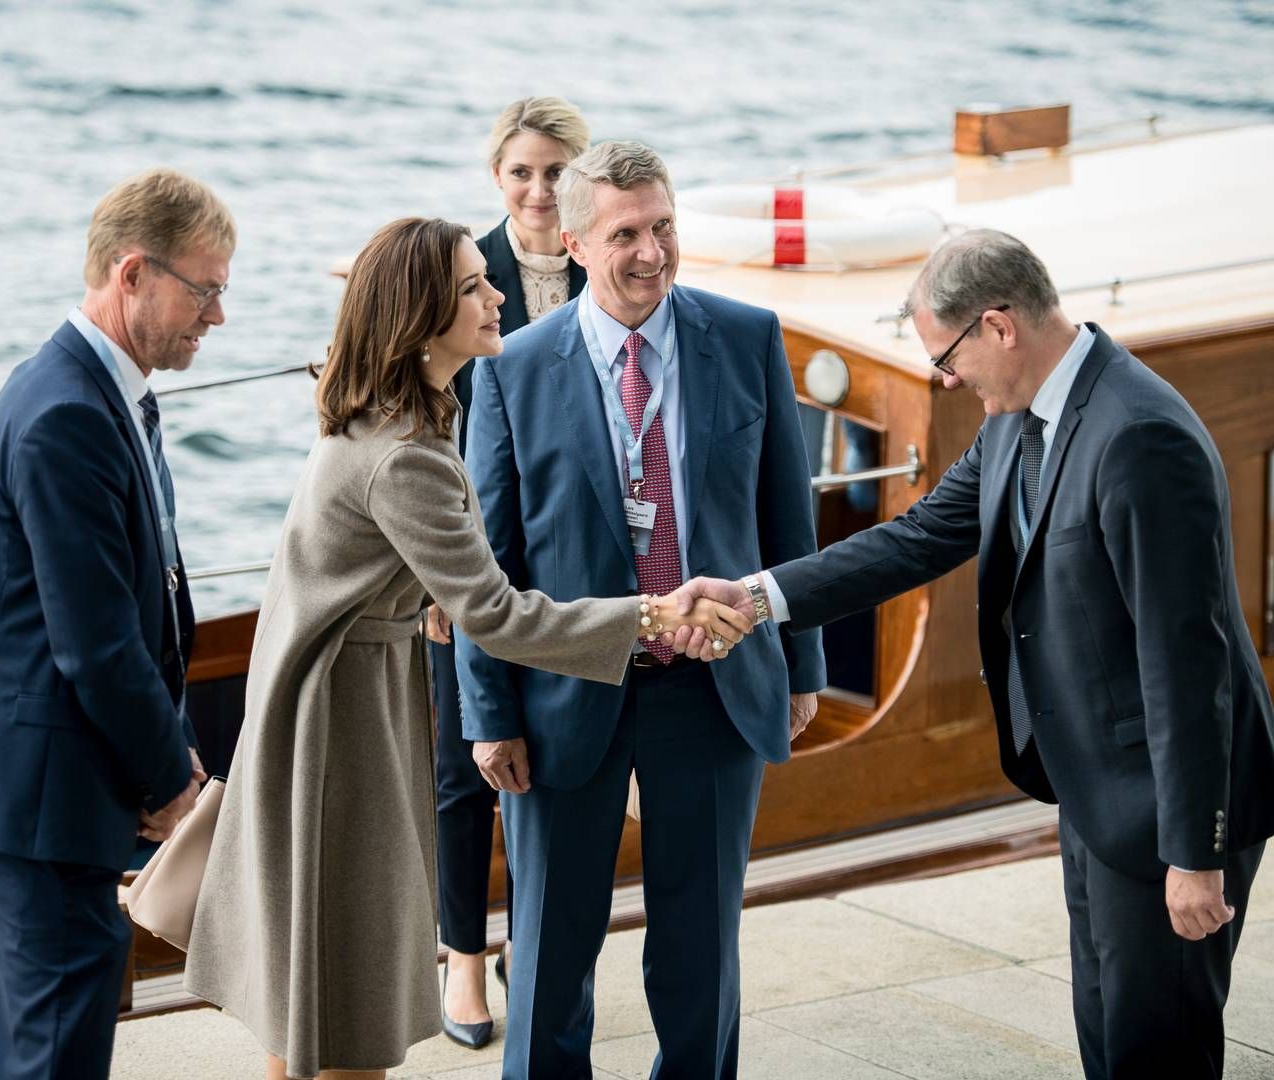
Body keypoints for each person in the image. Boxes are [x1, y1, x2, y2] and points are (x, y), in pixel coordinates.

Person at [671, 228, 1274, 1080]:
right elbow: (916, 539)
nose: (946, 379)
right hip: (1095, 788)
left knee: (1158, 1046)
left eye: (947, 356)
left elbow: (1190, 665)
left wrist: (1194, 853)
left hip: (1165, 805)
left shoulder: (1139, 437)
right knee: (1108, 1031)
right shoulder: (1018, 422)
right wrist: (758, 598)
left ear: (998, 327)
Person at [180, 217, 749, 1080]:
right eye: (474, 286)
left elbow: (433, 581)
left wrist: (429, 596)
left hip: (321, 702)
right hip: (344, 730)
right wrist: (650, 617)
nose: (498, 294)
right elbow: (499, 614)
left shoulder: (397, 416)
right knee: (347, 1006)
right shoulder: (406, 454)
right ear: (421, 317)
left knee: (309, 998)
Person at [455, 141, 826, 1079]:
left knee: (701, 949)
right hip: (563, 693)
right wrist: (489, 714)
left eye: (664, 227)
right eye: (627, 234)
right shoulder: (511, 370)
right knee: (550, 950)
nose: (653, 253)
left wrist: (802, 668)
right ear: (574, 241)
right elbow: (485, 566)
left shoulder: (747, 338)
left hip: (715, 685)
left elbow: (791, 517)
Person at [0, 168, 234, 1079]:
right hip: (40, 797)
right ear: (132, 273)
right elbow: (97, 646)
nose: (216, 316)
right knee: (51, 1049)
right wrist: (174, 786)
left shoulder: (109, 391)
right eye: (205, 289)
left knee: (9, 1044)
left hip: (30, 784)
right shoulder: (66, 414)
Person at [432, 94, 591, 1050]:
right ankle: (460, 957)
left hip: (567, 567)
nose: (538, 190)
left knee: (558, 764)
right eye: (522, 171)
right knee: (463, 766)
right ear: (497, 177)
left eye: (554, 171)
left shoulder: (606, 261)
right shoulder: (459, 269)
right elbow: (411, 415)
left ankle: (537, 947)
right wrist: (431, 579)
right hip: (461, 555)